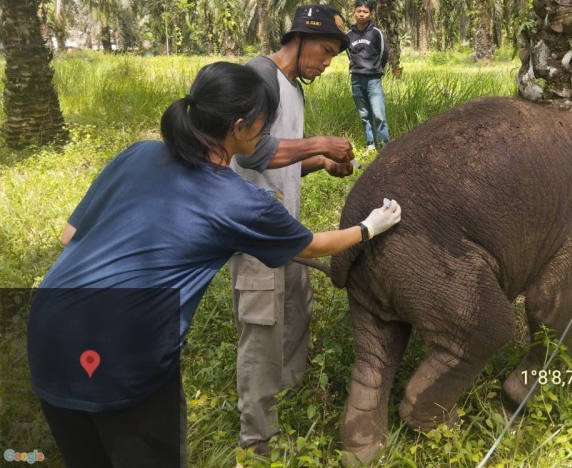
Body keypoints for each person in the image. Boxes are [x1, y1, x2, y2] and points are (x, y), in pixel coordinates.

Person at [26, 61, 401, 468]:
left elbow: (69, 235)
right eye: (265, 123)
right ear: (239, 127)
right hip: (125, 349)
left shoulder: (138, 153)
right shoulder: (239, 201)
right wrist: (369, 227)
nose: (266, 133)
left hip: (48, 326)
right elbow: (312, 246)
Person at [229, 4, 355, 454]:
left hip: (286, 229)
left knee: (297, 308)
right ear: (298, 39)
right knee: (262, 330)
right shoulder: (259, 76)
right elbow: (250, 153)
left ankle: (291, 394)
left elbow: (279, 165)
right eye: (324, 52)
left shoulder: (295, 91)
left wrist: (320, 162)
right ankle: (257, 437)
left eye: (332, 57)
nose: (326, 63)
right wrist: (320, 143)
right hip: (255, 233)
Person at [347, 0, 390, 151]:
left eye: (365, 12)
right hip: (356, 79)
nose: (361, 14)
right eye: (359, 11)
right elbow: (349, 55)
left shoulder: (376, 33)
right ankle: (370, 144)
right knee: (364, 114)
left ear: (371, 14)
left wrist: (375, 69)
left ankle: (385, 146)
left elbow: (384, 53)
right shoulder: (349, 35)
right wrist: (356, 68)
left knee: (379, 114)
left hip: (373, 79)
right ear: (354, 12)